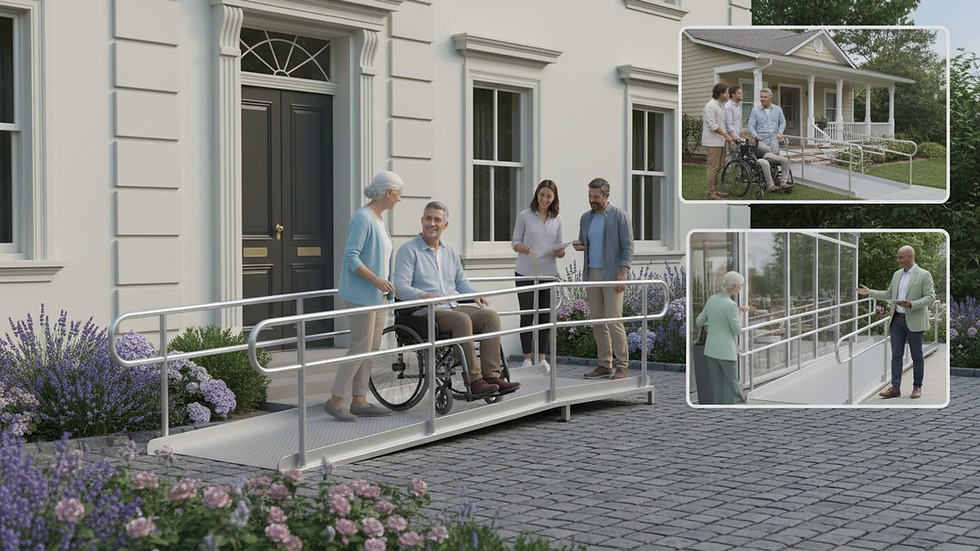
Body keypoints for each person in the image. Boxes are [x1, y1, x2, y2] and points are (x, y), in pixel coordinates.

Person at [394, 201, 521, 396]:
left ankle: (492, 376)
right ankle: (474, 380)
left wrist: (475, 295)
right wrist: (422, 295)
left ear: (445, 225)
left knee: (490, 317)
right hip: (424, 311)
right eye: (428, 218)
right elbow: (400, 288)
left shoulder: (450, 251)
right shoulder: (408, 250)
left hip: (452, 305)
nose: (432, 223)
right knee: (462, 320)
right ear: (422, 220)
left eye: (437, 219)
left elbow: (461, 283)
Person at [325, 171, 404, 422]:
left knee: (372, 346)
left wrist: (384, 287)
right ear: (388, 193)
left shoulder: (379, 219)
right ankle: (336, 400)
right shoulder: (362, 218)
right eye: (399, 194)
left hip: (376, 296)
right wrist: (377, 281)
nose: (400, 199)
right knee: (360, 346)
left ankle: (359, 400)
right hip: (362, 295)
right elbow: (351, 258)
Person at [572, 178, 634, 380]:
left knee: (614, 321)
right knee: (598, 322)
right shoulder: (585, 218)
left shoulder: (619, 216)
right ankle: (604, 364)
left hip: (613, 274)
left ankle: (622, 366)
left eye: (596, 197)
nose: (592, 200)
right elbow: (585, 242)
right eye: (590, 196)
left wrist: (623, 272)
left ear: (606, 196)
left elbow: (628, 246)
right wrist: (579, 246)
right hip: (591, 274)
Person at [857, 246, 936, 399]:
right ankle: (895, 388)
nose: (898, 260)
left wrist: (911, 304)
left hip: (914, 320)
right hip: (897, 321)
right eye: (898, 257)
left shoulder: (924, 275)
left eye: (901, 257)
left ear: (910, 257)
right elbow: (888, 294)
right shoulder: (896, 275)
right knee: (896, 355)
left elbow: (930, 297)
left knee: (917, 355)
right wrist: (870, 292)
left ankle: (917, 387)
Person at [512, 180, 565, 371]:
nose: (544, 199)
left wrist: (561, 252)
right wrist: (523, 248)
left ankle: (542, 358)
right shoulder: (525, 216)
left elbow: (559, 244)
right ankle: (527, 358)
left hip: (549, 273)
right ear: (537, 195)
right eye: (542, 195)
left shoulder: (557, 219)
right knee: (527, 315)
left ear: (553, 199)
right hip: (526, 271)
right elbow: (515, 242)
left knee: (546, 316)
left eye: (548, 196)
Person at [694, 271, 751, 405]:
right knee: (732, 385)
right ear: (736, 287)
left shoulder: (712, 299)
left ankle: (719, 410)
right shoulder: (731, 305)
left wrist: (713, 321)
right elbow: (737, 330)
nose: (741, 288)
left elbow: (699, 321)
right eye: (740, 286)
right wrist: (740, 314)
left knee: (717, 385)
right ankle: (740, 407)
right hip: (726, 352)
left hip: (711, 350)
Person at [747, 88, 793, 193]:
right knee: (768, 155)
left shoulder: (777, 110)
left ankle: (783, 183)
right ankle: (771, 184)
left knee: (782, 160)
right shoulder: (755, 111)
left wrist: (780, 132)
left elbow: (782, 122)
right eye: (761, 97)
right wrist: (755, 135)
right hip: (762, 143)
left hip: (774, 142)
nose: (762, 99)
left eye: (765, 97)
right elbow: (751, 126)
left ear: (770, 98)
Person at [702, 82, 736, 200]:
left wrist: (730, 135)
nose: (728, 94)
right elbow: (712, 125)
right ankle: (711, 193)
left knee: (718, 166)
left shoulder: (719, 106)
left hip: (720, 142)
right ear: (721, 93)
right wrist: (726, 136)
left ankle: (715, 190)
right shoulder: (710, 106)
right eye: (727, 92)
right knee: (713, 168)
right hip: (713, 142)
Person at [724, 84, 745, 161]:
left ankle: (737, 173)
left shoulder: (737, 106)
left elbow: (738, 122)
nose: (741, 95)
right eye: (738, 93)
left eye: (741, 93)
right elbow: (728, 123)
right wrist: (734, 137)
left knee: (738, 158)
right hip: (731, 137)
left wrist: (741, 134)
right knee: (730, 158)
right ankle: (727, 172)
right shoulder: (728, 106)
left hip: (737, 137)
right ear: (733, 95)